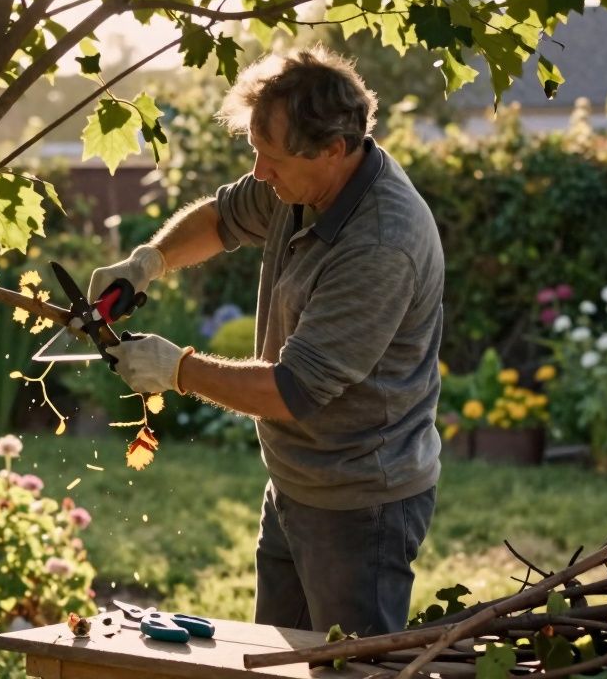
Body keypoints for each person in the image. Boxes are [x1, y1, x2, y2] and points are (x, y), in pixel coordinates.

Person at [90, 46, 443, 637]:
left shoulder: (381, 243)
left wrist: (176, 368)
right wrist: (148, 262)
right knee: (279, 660)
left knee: (349, 671)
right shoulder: (299, 187)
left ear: (334, 149)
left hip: (360, 501)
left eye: (270, 157)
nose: (259, 171)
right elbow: (223, 218)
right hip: (295, 480)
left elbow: (293, 389)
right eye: (255, 152)